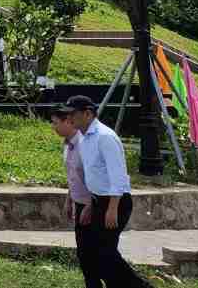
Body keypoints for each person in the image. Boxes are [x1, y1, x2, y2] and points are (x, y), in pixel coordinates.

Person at [66, 95, 150, 288]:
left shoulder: (105, 137)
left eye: (73, 114)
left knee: (106, 253)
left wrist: (112, 208)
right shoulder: (84, 138)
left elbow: (118, 176)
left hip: (115, 202)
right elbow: (92, 175)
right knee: (95, 252)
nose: (70, 118)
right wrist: (89, 203)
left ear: (88, 114)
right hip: (97, 201)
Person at [49, 105, 93, 277]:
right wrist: (69, 200)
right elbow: (73, 176)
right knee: (83, 253)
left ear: (68, 121)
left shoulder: (84, 144)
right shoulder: (68, 145)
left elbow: (93, 177)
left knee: (96, 253)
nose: (53, 127)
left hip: (93, 204)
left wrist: (90, 205)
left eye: (55, 123)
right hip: (79, 203)